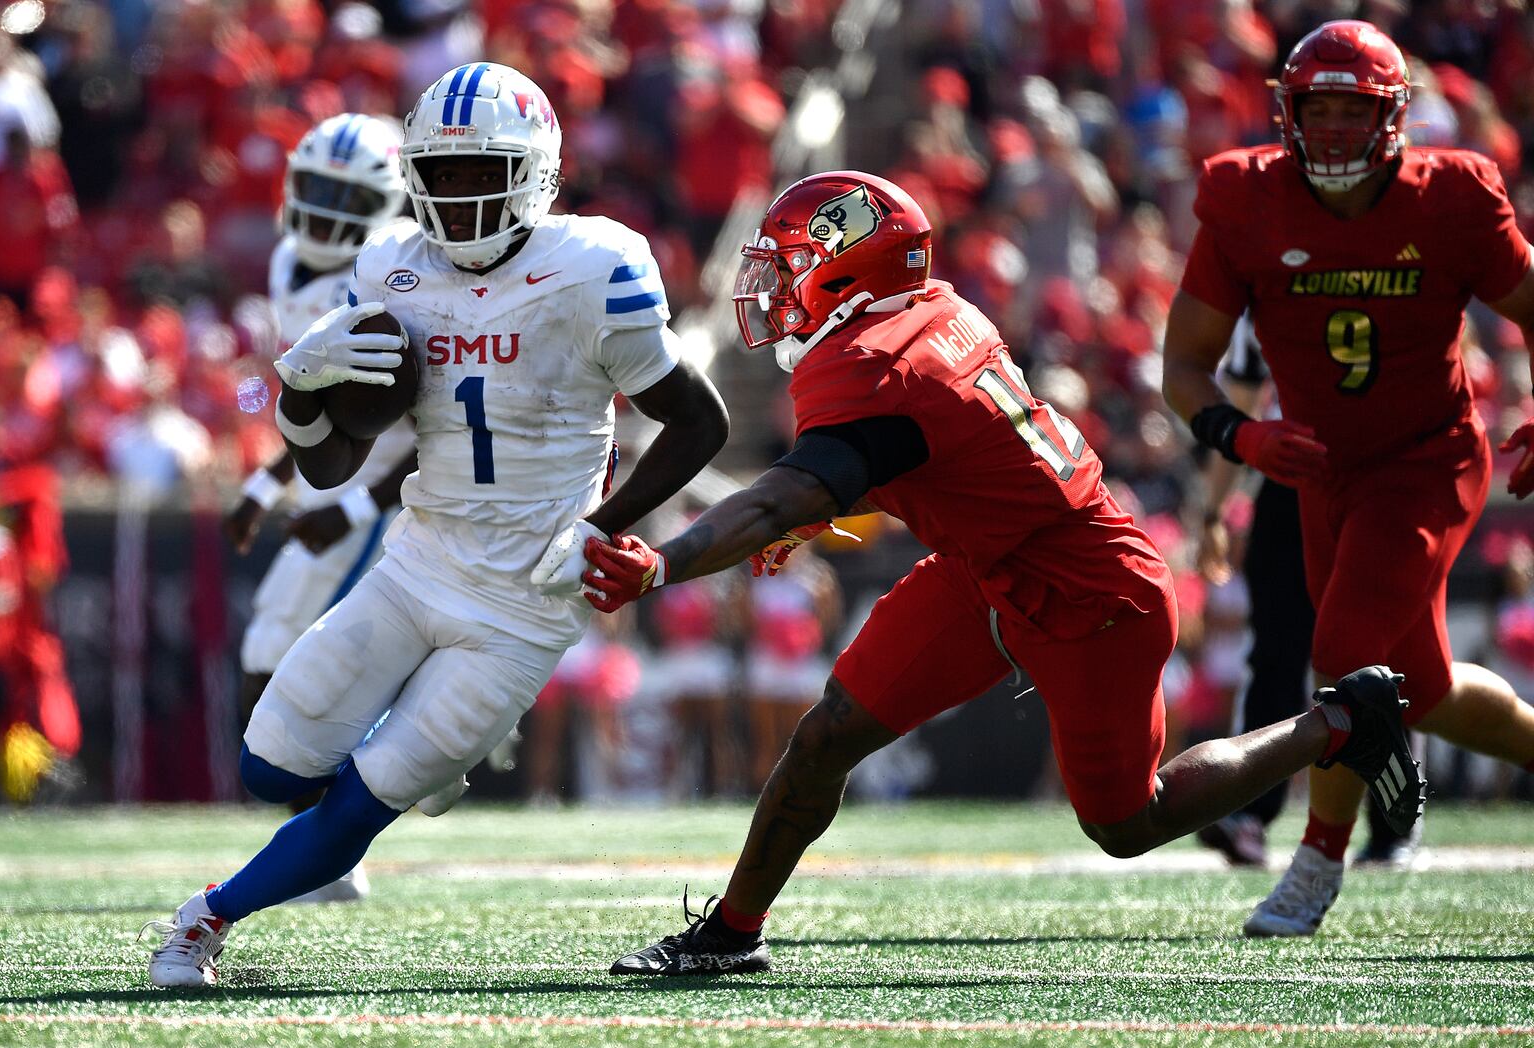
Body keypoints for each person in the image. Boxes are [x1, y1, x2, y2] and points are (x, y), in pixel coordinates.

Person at [586, 169, 1420, 977]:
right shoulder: (934, 310)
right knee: (828, 732)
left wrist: (663, 564)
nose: (773, 292)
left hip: (1090, 591)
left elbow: (787, 491)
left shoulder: (875, 365)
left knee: (1129, 822)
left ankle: (1338, 724)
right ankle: (734, 931)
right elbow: (918, 456)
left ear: (850, 269)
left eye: (792, 267)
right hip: (988, 564)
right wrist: (808, 509)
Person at [141, 62, 728, 987]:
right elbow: (331, 464)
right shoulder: (391, 267)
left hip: (528, 597)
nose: (456, 195)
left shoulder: (594, 264)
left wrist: (602, 525)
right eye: (439, 173)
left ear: (534, 170)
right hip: (418, 561)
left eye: (479, 170)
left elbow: (702, 421)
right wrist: (296, 393)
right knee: (267, 767)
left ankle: (204, 919)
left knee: (362, 806)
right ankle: (416, 766)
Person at [1162, 21, 1534, 937]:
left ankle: (1318, 861)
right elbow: (1185, 366)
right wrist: (1242, 440)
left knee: (1344, 657)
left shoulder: (1450, 196)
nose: (1330, 131)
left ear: (1393, 117)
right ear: (1286, 113)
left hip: (1427, 460)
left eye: (1350, 111)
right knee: (1429, 690)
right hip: (1322, 473)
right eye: (1314, 110)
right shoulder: (1245, 197)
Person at [223, 113, 417, 905]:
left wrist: (357, 504)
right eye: (321, 188)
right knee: (267, 656)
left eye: (350, 193)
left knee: (307, 663)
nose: (331, 208)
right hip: (325, 483)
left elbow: (427, 424)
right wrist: (266, 484)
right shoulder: (285, 263)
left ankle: (340, 837)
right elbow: (298, 395)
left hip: (396, 488)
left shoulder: (400, 265)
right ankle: (325, 849)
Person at [1193, 316, 1414, 869]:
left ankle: (1396, 818)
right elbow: (1241, 404)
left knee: (1380, 656)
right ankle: (1249, 811)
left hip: (1377, 480)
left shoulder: (1390, 266)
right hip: (1290, 484)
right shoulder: (1264, 286)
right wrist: (1214, 508)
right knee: (1276, 650)